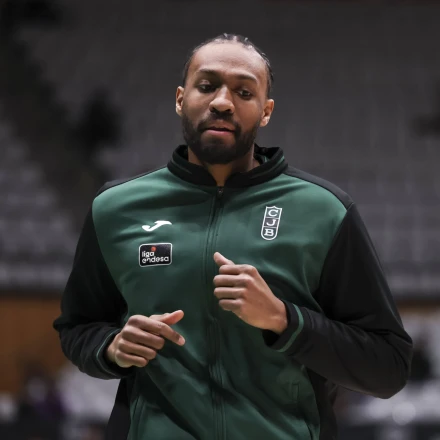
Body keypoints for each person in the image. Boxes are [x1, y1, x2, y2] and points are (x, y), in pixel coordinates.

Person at [54, 33, 413, 440]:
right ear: (180, 99)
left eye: (244, 92)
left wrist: (284, 320)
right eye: (207, 86)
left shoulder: (325, 211)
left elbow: (388, 366)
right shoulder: (115, 208)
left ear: (266, 111)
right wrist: (112, 348)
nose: (223, 102)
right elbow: (77, 327)